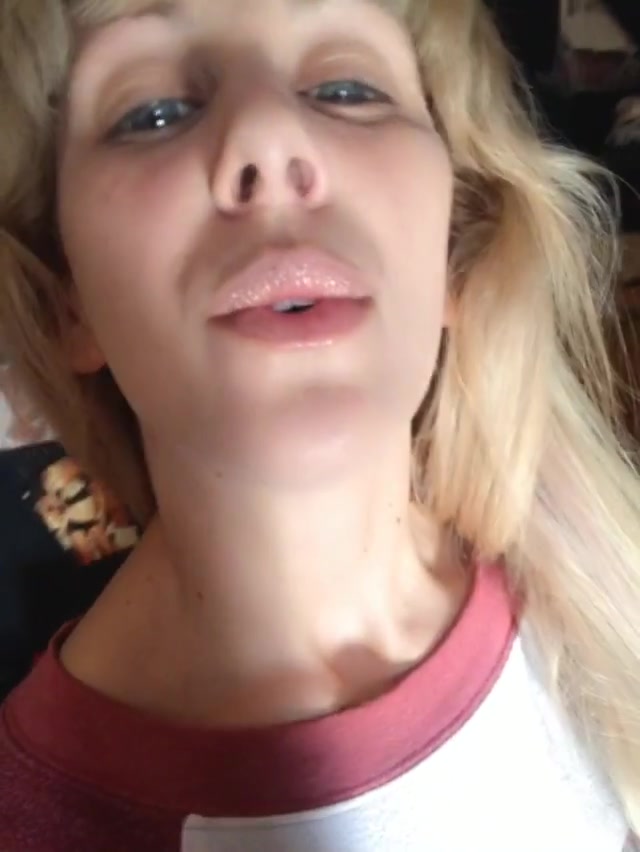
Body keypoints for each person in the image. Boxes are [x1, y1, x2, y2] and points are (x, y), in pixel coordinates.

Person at [0, 0, 638, 849]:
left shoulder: (606, 598)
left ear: (453, 251)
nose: (268, 135)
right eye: (153, 112)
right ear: (67, 298)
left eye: (346, 89)